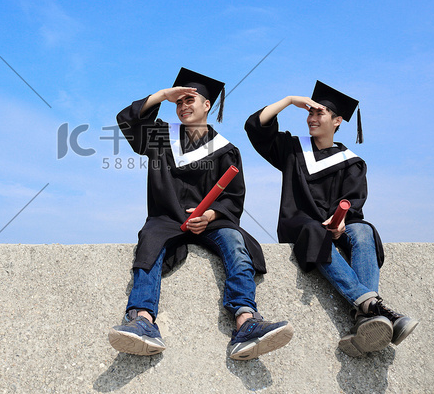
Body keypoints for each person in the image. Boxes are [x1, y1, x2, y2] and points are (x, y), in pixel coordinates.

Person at [108, 67, 294, 360]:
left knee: (235, 240)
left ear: (207, 105)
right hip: (166, 219)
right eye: (179, 102)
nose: (183, 106)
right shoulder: (160, 136)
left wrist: (210, 216)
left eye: (189, 100)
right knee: (149, 240)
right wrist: (161, 96)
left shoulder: (226, 150)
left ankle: (246, 320)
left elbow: (233, 197)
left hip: (211, 222)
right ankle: (142, 320)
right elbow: (127, 121)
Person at [244, 81, 418, 357]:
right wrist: (289, 99)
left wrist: (341, 222)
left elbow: (352, 203)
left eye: (320, 113)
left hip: (336, 226)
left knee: (363, 230)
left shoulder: (353, 162)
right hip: (300, 226)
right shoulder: (292, 149)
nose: (312, 118)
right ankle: (374, 306)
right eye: (310, 113)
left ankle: (366, 317)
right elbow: (255, 126)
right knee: (315, 230)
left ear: (337, 121)